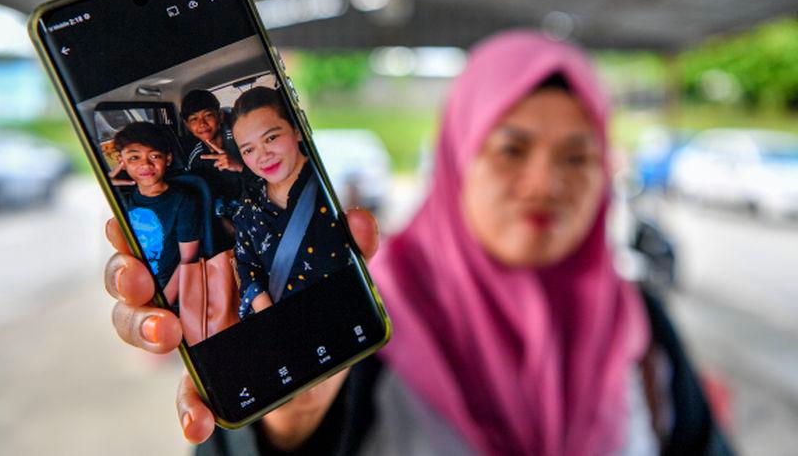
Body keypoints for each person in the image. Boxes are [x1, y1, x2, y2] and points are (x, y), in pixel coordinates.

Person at [103, 32, 732, 455]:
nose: (546, 183)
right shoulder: (367, 313)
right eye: (511, 149)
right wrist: (287, 430)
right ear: (458, 159)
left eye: (578, 156)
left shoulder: (638, 325)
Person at [230, 86, 353, 315]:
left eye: (271, 137)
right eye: (248, 150)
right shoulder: (249, 205)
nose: (262, 156)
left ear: (296, 129)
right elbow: (246, 264)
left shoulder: (333, 184)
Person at [110, 121, 201, 305]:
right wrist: (108, 184)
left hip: (171, 291)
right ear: (122, 162)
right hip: (138, 284)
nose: (145, 164)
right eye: (134, 158)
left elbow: (188, 259)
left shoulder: (183, 201)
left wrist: (164, 302)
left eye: (155, 156)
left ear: (167, 159)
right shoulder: (120, 198)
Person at [181, 89, 244, 250]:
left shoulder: (240, 137)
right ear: (187, 126)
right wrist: (221, 220)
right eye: (194, 119)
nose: (201, 124)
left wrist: (238, 166)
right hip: (225, 215)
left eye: (207, 115)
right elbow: (205, 195)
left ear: (220, 116)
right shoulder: (195, 158)